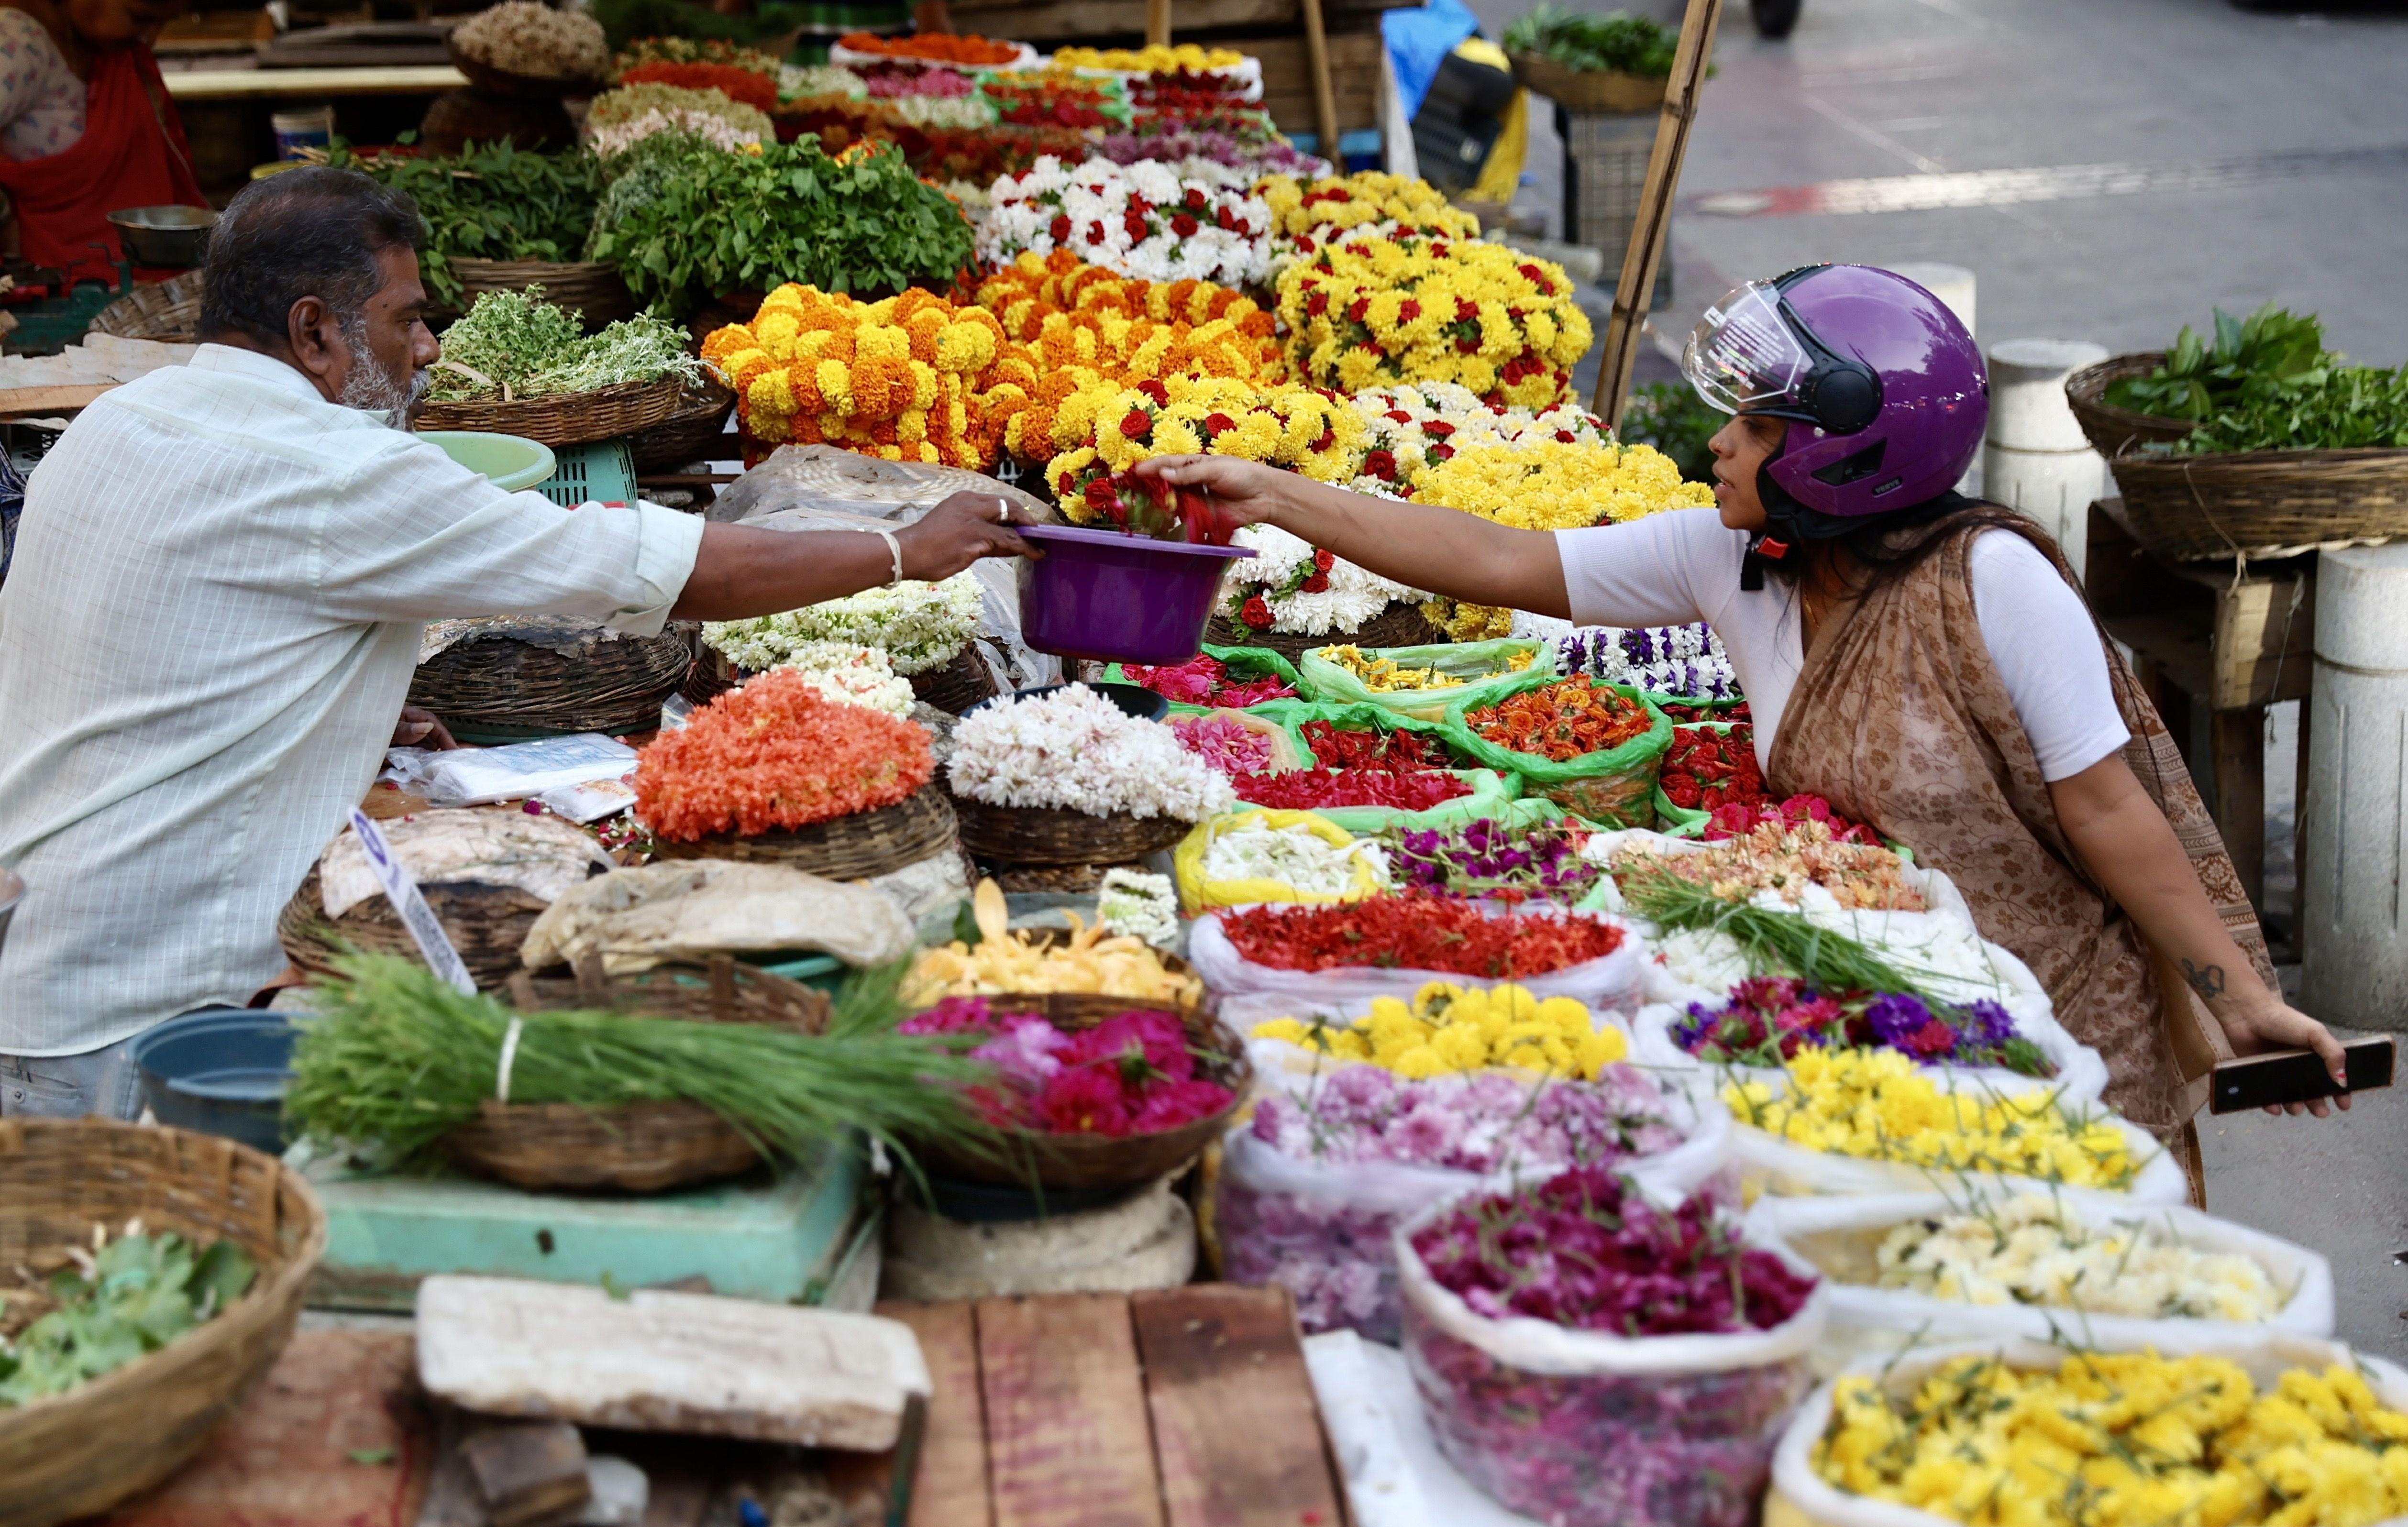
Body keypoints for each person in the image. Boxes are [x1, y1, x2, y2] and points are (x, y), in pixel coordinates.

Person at [1143, 264, 2347, 1186]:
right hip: (1873, 1004)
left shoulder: (1993, 581)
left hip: (2051, 1022)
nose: (1719, 442)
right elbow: (1500, 556)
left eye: (1759, 428)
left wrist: (2235, 991)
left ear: (1848, 456)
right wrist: (1277, 493)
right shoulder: (1740, 558)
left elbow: (2109, 811)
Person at [0, 165, 1038, 1118]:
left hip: (40, 973)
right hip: (150, 1021)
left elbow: (155, 643)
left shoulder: (111, 423)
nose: (429, 349)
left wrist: (346, 700)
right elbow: (650, 567)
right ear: (315, 332)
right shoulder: (333, 468)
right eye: (406, 321)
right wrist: (905, 547)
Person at [0, 0, 209, 283]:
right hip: (64, 297)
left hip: (140, 292)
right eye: (140, 18)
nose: (151, 39)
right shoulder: (16, 45)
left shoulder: (104, 49)